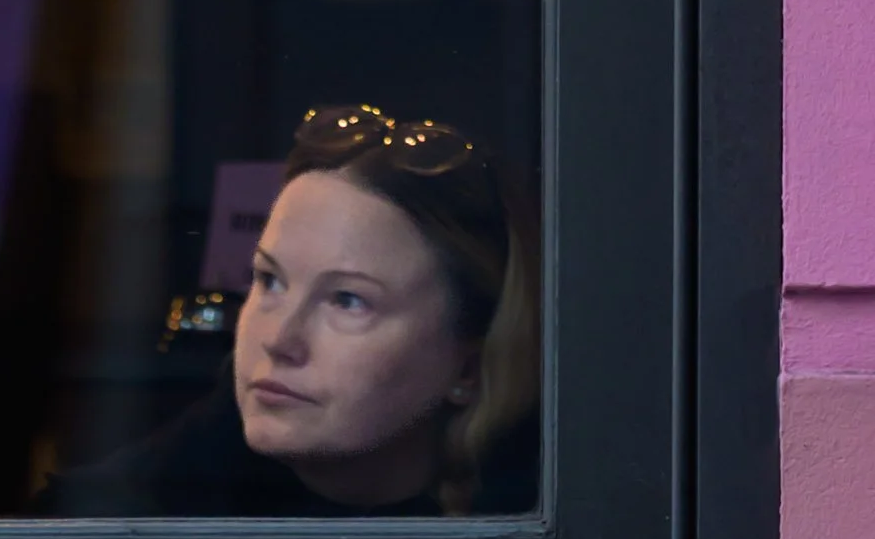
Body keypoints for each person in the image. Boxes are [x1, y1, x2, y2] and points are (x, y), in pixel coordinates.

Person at [40, 105, 538, 516]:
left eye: (348, 300)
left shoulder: (537, 520)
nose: (278, 339)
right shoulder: (175, 481)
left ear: (469, 365)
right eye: (270, 280)